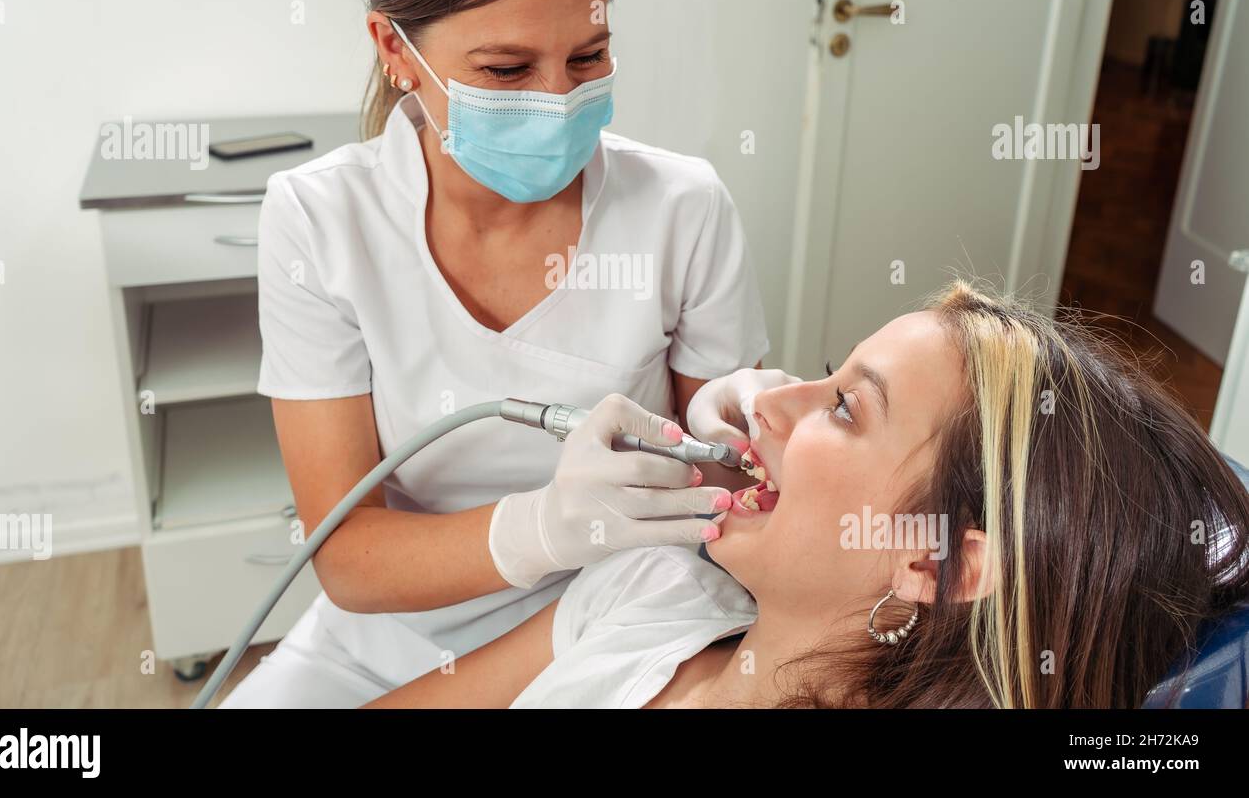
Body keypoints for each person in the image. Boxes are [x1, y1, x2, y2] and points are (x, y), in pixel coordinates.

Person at [221, 0, 772, 707]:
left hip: (623, 609)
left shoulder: (682, 207)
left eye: (588, 58)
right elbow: (350, 561)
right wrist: (545, 526)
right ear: (395, 49)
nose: (558, 99)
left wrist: (726, 436)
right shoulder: (320, 220)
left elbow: (735, 490)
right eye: (508, 70)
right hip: (392, 629)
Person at [362, 280, 1249, 708]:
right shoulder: (654, 587)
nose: (767, 401)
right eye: (826, 374)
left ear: (935, 560)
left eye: (843, 408)